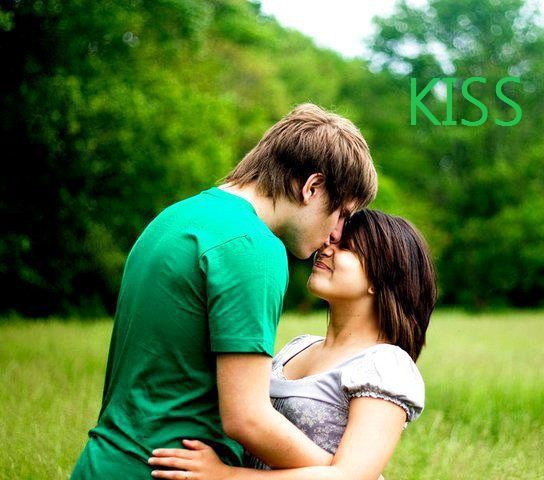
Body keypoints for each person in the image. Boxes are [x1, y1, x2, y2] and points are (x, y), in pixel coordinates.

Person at [70, 103, 378, 479]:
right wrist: (346, 473)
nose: (336, 234)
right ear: (311, 188)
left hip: (102, 463)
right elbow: (247, 418)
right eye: (342, 213)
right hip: (165, 471)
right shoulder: (254, 248)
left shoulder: (175, 217)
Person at [147, 209, 437, 480]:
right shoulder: (298, 347)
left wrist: (226, 476)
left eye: (346, 247)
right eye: (331, 240)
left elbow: (350, 476)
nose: (326, 248)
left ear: (380, 277)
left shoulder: (386, 365)